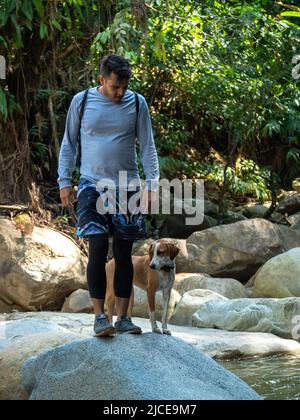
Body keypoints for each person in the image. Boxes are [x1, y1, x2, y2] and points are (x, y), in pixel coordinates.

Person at [58, 54, 160, 337]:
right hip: (92, 184)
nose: (120, 93)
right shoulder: (83, 101)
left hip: (128, 185)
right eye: (115, 87)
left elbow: (147, 147)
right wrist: (64, 180)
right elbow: (69, 143)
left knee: (124, 253)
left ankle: (124, 319)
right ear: (102, 79)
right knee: (99, 246)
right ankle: (100, 317)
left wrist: (152, 184)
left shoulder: (137, 103)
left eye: (124, 87)